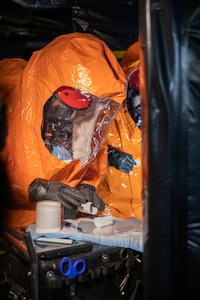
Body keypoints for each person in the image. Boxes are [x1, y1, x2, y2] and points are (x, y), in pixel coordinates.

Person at [0, 32, 127, 228]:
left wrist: (86, 187)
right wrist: (37, 189)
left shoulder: (89, 115)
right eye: (74, 105)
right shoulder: (8, 94)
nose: (83, 119)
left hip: (50, 229)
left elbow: (92, 155)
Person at [96, 40, 143, 219]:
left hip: (152, 213)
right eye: (140, 96)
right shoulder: (105, 112)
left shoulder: (171, 118)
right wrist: (109, 157)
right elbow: (79, 155)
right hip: (107, 212)